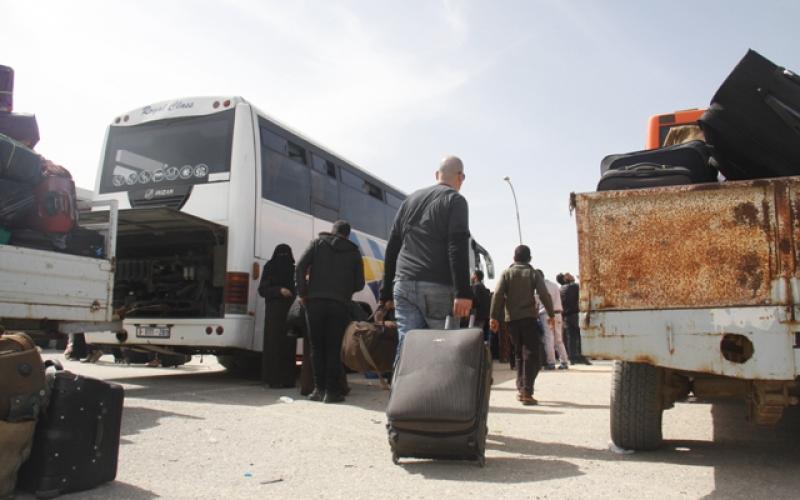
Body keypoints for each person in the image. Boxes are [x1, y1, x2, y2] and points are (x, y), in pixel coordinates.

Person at [380, 156, 473, 358]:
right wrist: (463, 292)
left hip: (403, 285)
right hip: (437, 286)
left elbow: (392, 247)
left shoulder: (409, 200)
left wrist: (386, 292)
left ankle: (402, 390)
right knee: (443, 351)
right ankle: (442, 390)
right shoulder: (455, 200)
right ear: (461, 177)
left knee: (407, 349)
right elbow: (456, 245)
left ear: (436, 175)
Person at [295, 220, 364, 403]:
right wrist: (344, 291)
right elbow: (360, 284)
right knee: (333, 348)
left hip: (314, 303)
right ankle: (331, 392)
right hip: (339, 305)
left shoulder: (317, 244)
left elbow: (300, 266)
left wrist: (303, 293)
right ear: (348, 235)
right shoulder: (354, 252)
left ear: (332, 231)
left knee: (317, 348)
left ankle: (319, 390)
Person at [489, 245, 555, 406]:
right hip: (528, 319)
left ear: (514, 258)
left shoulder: (506, 273)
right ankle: (526, 390)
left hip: (511, 320)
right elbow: (543, 294)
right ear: (530, 259)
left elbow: (497, 295)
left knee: (519, 353)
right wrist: (551, 314)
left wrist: (493, 317)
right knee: (533, 355)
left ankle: (521, 388)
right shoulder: (532, 273)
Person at [258, 243, 297, 388]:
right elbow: (262, 290)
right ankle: (275, 379)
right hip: (278, 312)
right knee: (278, 344)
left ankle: (283, 380)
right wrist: (279, 290)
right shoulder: (270, 267)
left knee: (283, 344)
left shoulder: (292, 269)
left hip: (283, 312)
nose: (283, 259)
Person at [536, 269, 569, 370]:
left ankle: (551, 362)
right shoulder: (554, 285)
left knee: (548, 338)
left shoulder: (539, 287)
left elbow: (536, 303)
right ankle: (564, 361)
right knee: (559, 339)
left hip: (546, 314)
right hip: (558, 313)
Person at [561, 272, 591, 365]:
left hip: (566, 316)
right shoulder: (575, 286)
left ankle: (572, 358)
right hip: (575, 314)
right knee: (580, 336)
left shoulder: (561, 289)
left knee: (571, 338)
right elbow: (584, 292)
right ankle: (582, 357)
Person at [471, 270, 491, 338]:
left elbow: (475, 301)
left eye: (472, 274)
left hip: (477, 315)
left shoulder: (476, 286)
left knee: (474, 335)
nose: (471, 276)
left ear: (475, 276)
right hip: (483, 315)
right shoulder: (483, 286)